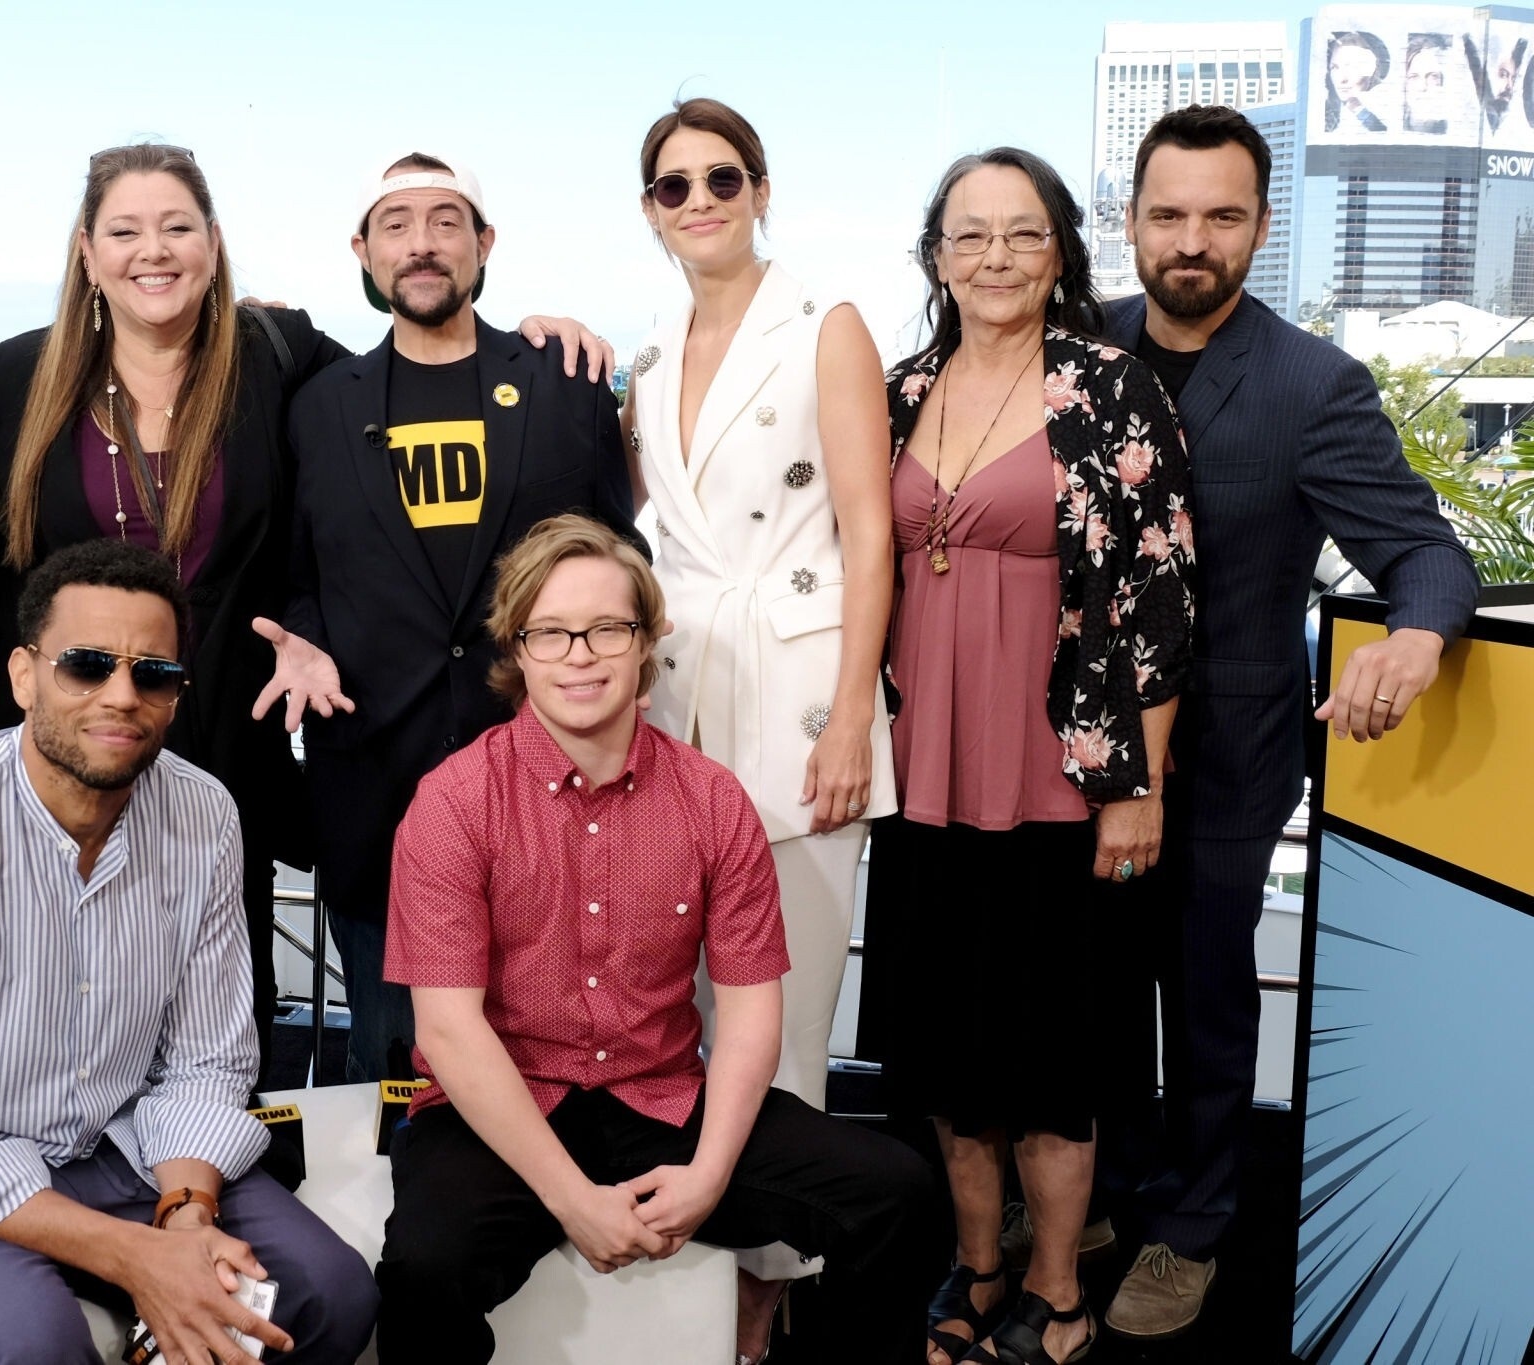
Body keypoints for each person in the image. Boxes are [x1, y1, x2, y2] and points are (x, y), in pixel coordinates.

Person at [0, 144, 614, 1075]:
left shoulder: (279, 364)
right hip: (79, 743)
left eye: (177, 228)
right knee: (56, 1002)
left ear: (214, 244)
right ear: (87, 251)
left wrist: (545, 332)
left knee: (227, 1000)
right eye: (124, 230)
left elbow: (317, 538)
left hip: (232, 751)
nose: (152, 251)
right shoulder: (16, 379)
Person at [0, 539, 378, 1365]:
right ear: (24, 675)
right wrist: (135, 1257)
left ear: (178, 695)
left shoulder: (205, 813)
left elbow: (210, 1061)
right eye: (86, 665)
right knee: (29, 1345)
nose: (122, 695)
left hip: (123, 1149)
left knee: (332, 1293)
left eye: (154, 674)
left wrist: (185, 1218)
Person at [375, 513, 931, 1365]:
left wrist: (708, 1176)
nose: (581, 655)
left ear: (646, 642)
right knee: (424, 1267)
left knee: (894, 1193)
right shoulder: (454, 801)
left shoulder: (711, 800)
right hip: (506, 1106)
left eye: (608, 628)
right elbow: (448, 1030)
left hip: (659, 1098)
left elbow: (749, 1013)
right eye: (552, 633)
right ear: (516, 647)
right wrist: (572, 1201)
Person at [1100, 105, 1478, 1341]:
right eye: (1168, 214)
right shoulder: (1074, 349)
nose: (1190, 239)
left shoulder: (1314, 383)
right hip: (1074, 750)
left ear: (1260, 228)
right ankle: (1100, 1191)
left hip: (1229, 750)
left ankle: (1191, 1226)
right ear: (1132, 221)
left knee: (1206, 991)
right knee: (1092, 982)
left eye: (1220, 215)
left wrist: (1415, 634)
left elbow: (1421, 548)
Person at [862, 146, 1196, 1365]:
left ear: (1057, 250)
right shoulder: (895, 389)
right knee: (950, 1063)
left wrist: (1136, 788)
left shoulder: (1108, 386)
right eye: (969, 234)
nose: (993, 257)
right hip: (925, 780)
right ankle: (980, 1268)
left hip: (1064, 778)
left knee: (1055, 1065)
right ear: (935, 254)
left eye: (1019, 233)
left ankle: (1058, 1292)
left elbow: (1160, 599)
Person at [259, 154, 641, 1084]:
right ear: (362, 249)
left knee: (554, 1063)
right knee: (390, 1068)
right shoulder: (313, 409)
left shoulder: (566, 383)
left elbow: (621, 563)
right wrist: (302, 633)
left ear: (484, 245)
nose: (421, 244)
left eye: (444, 221)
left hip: (549, 797)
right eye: (395, 223)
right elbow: (291, 568)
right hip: (376, 793)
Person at [624, 98, 896, 1110]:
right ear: (649, 210)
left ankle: (775, 1264)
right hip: (677, 705)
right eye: (674, 185)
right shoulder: (648, 354)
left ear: (760, 192)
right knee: (679, 1009)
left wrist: (852, 723)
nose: (699, 200)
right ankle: (697, 1254)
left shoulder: (825, 326)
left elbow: (870, 534)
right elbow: (620, 506)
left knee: (783, 1012)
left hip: (799, 705)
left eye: (722, 178)